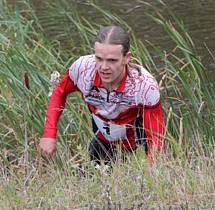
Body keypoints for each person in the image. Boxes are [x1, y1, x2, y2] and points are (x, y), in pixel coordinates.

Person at [38, 26, 165, 164]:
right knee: (87, 179)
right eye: (99, 58)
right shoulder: (83, 69)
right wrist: (49, 133)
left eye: (111, 60)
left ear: (126, 58)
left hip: (138, 146)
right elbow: (59, 92)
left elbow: (156, 137)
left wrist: (150, 170)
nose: (103, 67)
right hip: (104, 142)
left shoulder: (144, 86)